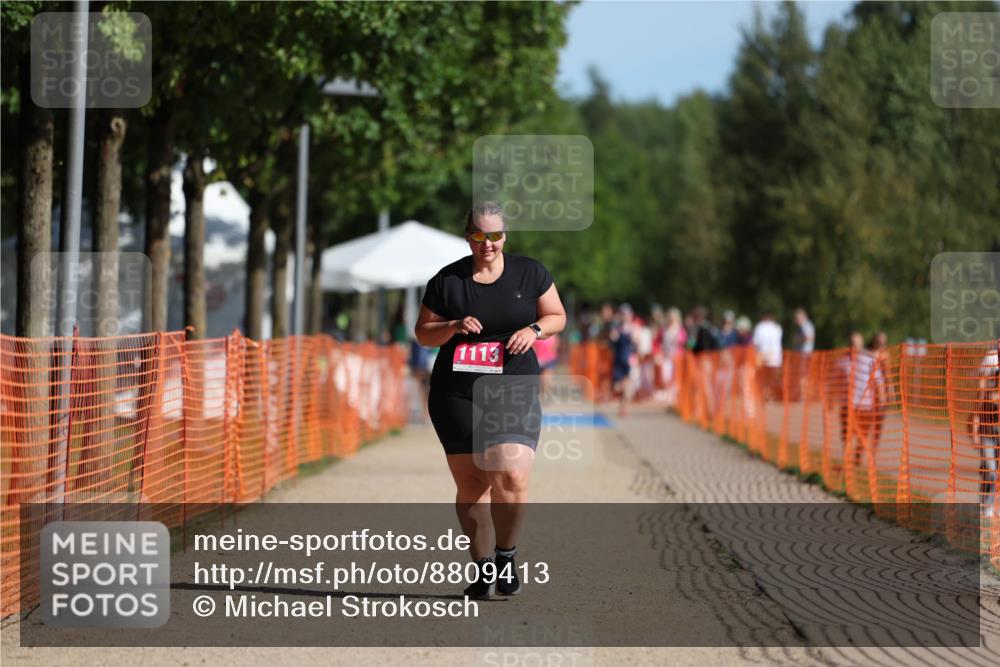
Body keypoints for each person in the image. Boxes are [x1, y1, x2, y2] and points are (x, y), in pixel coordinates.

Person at [414, 201, 566, 599]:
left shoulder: (529, 273)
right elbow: (423, 334)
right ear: (468, 237)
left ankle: (506, 555)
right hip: (457, 392)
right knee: (473, 483)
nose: (488, 244)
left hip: (513, 383)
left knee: (512, 473)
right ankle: (482, 569)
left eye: (495, 236)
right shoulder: (446, 282)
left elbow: (556, 316)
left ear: (505, 237)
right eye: (479, 236)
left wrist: (534, 329)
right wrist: (451, 325)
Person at [972, 368, 1000, 517]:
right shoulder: (987, 394)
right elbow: (977, 414)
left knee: (996, 474)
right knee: (990, 471)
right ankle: (986, 505)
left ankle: (993, 504)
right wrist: (975, 434)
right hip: (988, 436)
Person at [610, 303, 636, 418]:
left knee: (626, 386)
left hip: (628, 360)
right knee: (617, 386)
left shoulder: (633, 329)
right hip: (618, 360)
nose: (624, 316)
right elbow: (611, 341)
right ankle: (623, 405)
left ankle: (624, 408)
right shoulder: (617, 328)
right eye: (622, 314)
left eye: (626, 314)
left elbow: (637, 345)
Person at [752, 313, 783, 400]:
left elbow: (756, 342)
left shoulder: (760, 327)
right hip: (775, 355)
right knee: (772, 376)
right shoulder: (777, 327)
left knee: (762, 375)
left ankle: (764, 394)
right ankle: (771, 394)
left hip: (762, 353)